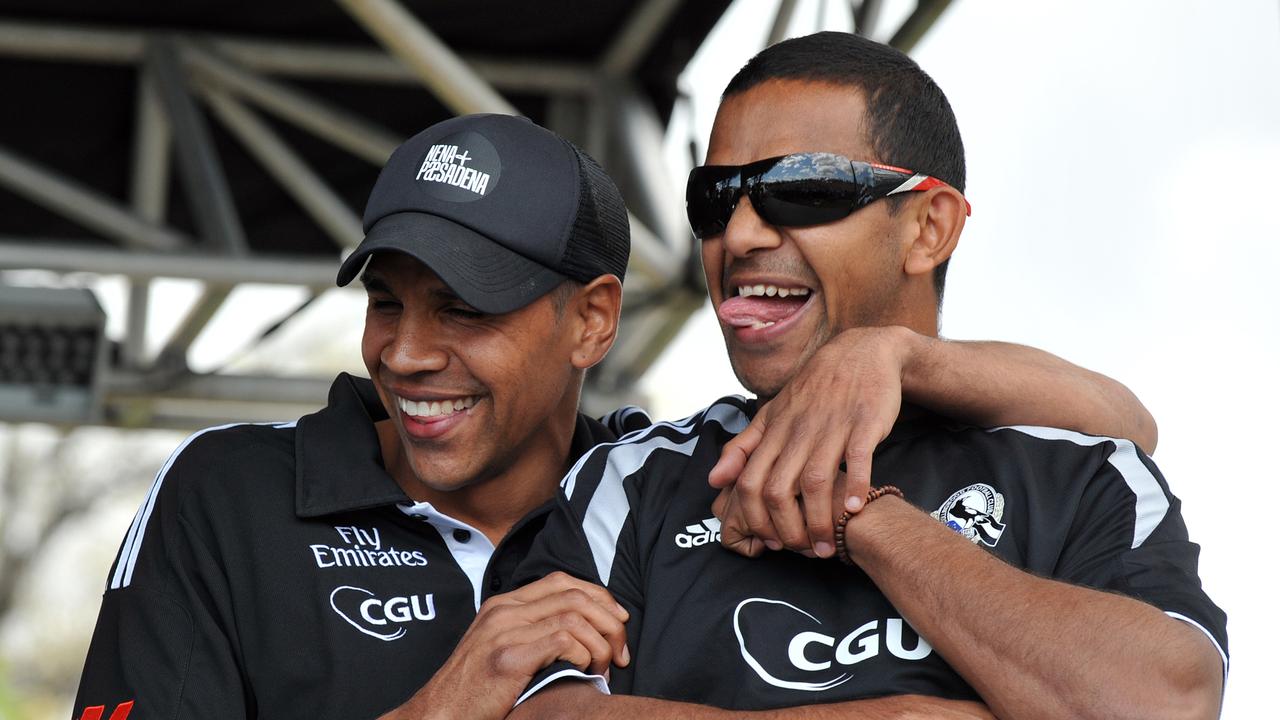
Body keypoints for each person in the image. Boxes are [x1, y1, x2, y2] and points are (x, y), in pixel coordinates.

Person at [73, 113, 1158, 720]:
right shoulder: (231, 490)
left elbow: (1122, 425)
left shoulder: (652, 482)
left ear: (593, 321)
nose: (406, 353)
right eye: (386, 302)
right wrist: (453, 698)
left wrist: (894, 354)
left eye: (464, 308)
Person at [510, 32, 1227, 720]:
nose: (744, 233)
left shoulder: (1082, 471)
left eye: (804, 189)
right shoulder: (633, 479)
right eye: (715, 200)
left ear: (928, 228)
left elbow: (1164, 703)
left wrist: (867, 522)